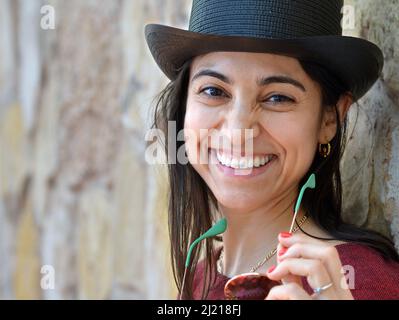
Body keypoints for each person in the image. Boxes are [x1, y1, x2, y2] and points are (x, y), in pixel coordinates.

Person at [144, 0, 399, 300]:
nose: (239, 131)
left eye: (277, 98)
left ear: (330, 118)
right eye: (214, 91)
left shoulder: (361, 283)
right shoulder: (200, 277)